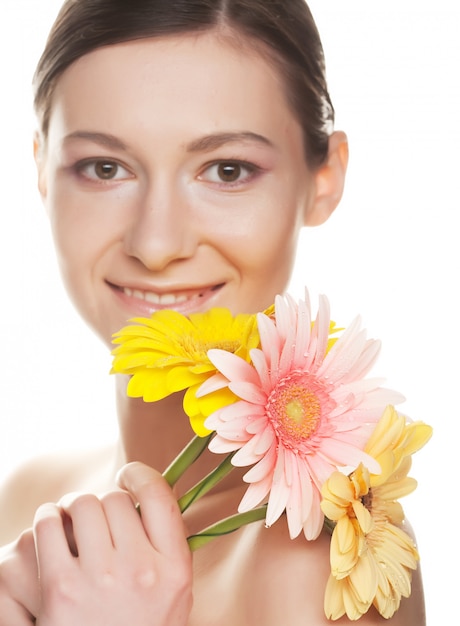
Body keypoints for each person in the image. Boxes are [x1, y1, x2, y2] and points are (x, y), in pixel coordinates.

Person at [0, 0, 426, 623]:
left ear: (324, 179)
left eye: (227, 170)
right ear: (41, 170)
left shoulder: (323, 562)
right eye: (105, 167)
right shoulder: (28, 498)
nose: (157, 243)